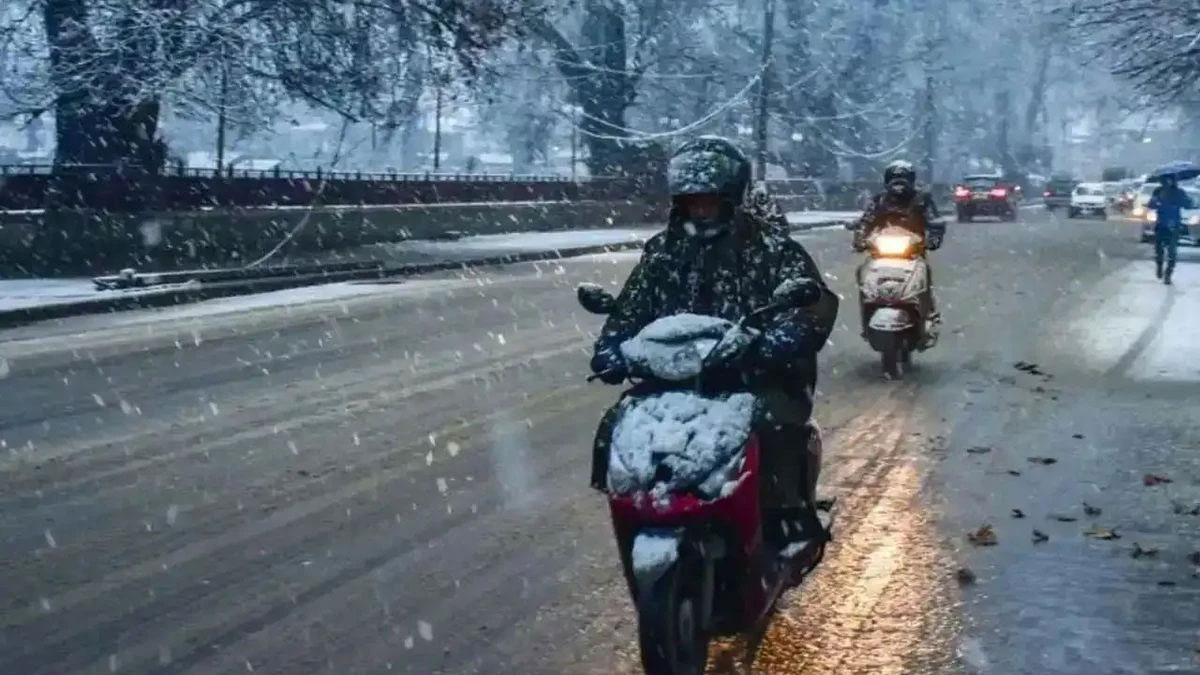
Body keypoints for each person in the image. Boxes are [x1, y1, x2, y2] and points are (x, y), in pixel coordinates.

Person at [589, 136, 839, 540]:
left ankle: (788, 517)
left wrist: (782, 339)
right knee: (616, 424)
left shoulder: (772, 250)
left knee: (774, 427)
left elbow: (813, 305)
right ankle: (636, 510)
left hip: (753, 377)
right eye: (693, 202)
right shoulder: (663, 253)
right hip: (672, 382)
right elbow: (632, 307)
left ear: (731, 199)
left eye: (709, 201)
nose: (701, 210)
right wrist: (611, 347)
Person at [853, 159, 943, 340]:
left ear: (911, 180)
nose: (899, 183)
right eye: (894, 178)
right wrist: (860, 237)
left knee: (924, 272)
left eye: (903, 178)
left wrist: (934, 237)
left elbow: (934, 221)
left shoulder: (922, 200)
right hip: (880, 252)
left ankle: (928, 312)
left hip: (913, 252)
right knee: (861, 272)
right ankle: (867, 317)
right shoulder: (879, 200)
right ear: (887, 181)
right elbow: (866, 221)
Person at [1148, 175, 1194, 285]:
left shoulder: (1179, 192)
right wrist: (1156, 202)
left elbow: (1187, 204)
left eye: (1171, 180)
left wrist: (1187, 201)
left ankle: (1168, 274)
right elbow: (1151, 204)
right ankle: (1159, 266)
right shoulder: (1158, 191)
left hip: (1174, 225)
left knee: (1172, 252)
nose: (1168, 182)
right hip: (1161, 224)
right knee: (1159, 250)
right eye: (1166, 180)